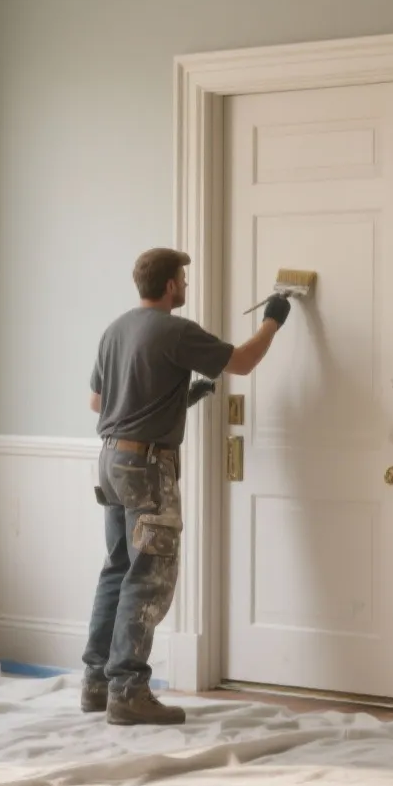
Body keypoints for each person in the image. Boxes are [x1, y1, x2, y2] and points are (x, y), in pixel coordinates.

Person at [83, 248, 289, 725]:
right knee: (148, 574)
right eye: (184, 281)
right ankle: (129, 691)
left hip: (110, 459)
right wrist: (274, 321)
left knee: (117, 567)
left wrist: (177, 399)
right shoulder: (176, 330)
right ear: (172, 285)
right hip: (147, 468)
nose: (186, 288)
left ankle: (97, 683)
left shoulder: (116, 329)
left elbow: (98, 401)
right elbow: (241, 362)